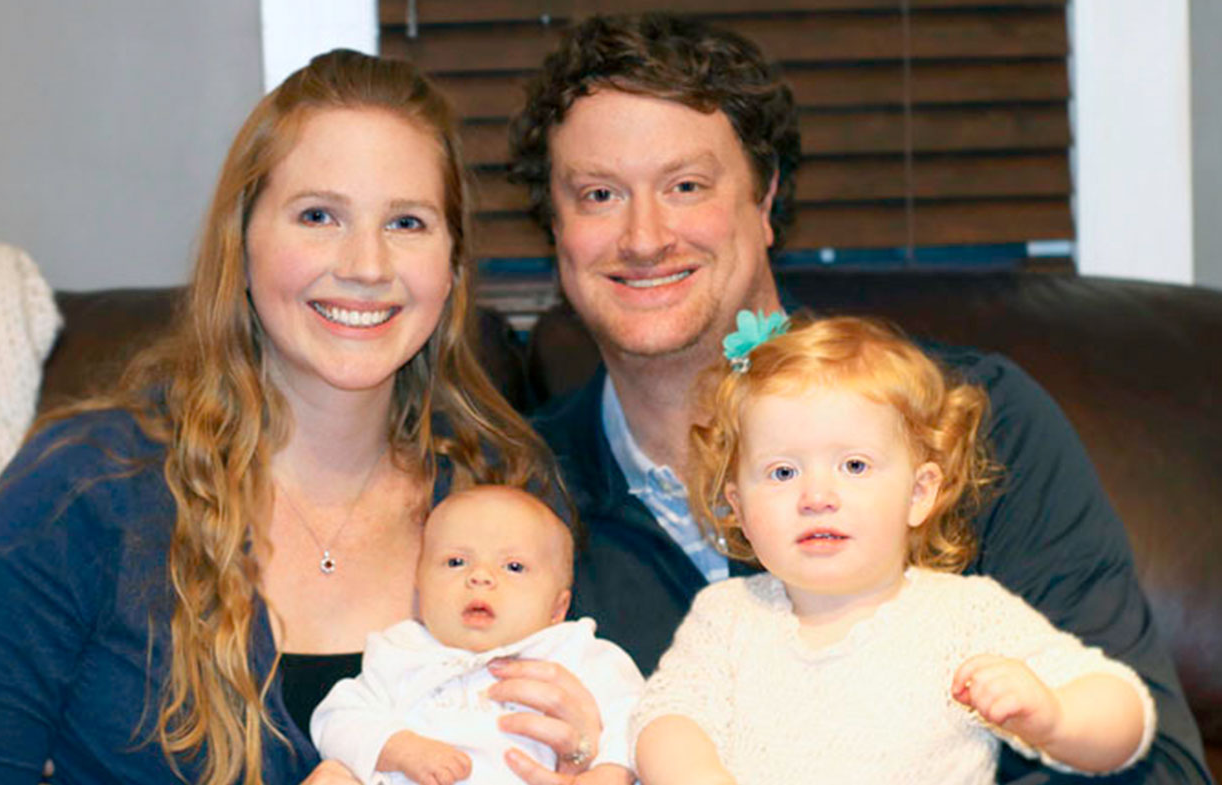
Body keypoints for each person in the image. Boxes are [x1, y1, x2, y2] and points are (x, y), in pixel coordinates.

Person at [508, 12, 1212, 783]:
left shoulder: (974, 420)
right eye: (599, 194)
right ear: (556, 228)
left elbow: (1159, 767)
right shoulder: (519, 495)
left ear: (764, 200)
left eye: (686, 186)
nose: (644, 237)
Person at [0, 50, 602, 785]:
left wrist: (592, 756)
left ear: (451, 265)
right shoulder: (84, 489)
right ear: (241, 242)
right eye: (319, 215)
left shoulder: (510, 493)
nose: (365, 264)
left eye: (406, 222)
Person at [632, 313, 1155, 783]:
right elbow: (666, 718)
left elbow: (1122, 708)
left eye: (854, 466)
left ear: (919, 493)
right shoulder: (726, 618)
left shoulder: (964, 616)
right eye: (783, 472)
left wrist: (1055, 717)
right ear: (739, 507)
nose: (816, 496)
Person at [311, 485, 642, 785]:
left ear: (558, 608)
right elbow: (335, 719)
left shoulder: (577, 652)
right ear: (420, 587)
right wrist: (400, 748)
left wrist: (609, 771)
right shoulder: (402, 651)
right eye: (456, 562)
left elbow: (635, 718)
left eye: (513, 566)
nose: (480, 576)